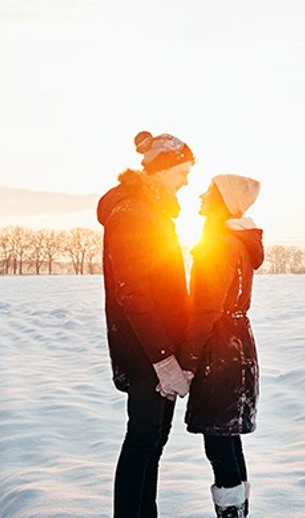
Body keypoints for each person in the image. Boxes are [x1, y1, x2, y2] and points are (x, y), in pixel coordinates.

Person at [97, 131, 196, 518]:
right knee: (141, 441)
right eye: (183, 171)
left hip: (159, 347)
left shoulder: (151, 211)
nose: (187, 181)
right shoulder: (132, 213)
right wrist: (162, 359)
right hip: (145, 351)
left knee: (154, 442)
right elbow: (133, 293)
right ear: (162, 169)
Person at [179, 174, 264, 518]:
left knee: (219, 440)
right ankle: (237, 514)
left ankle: (231, 515)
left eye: (209, 191)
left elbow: (206, 310)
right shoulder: (235, 241)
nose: (201, 195)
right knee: (229, 438)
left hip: (220, 349)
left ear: (223, 200)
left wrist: (187, 362)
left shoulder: (219, 244)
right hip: (237, 344)